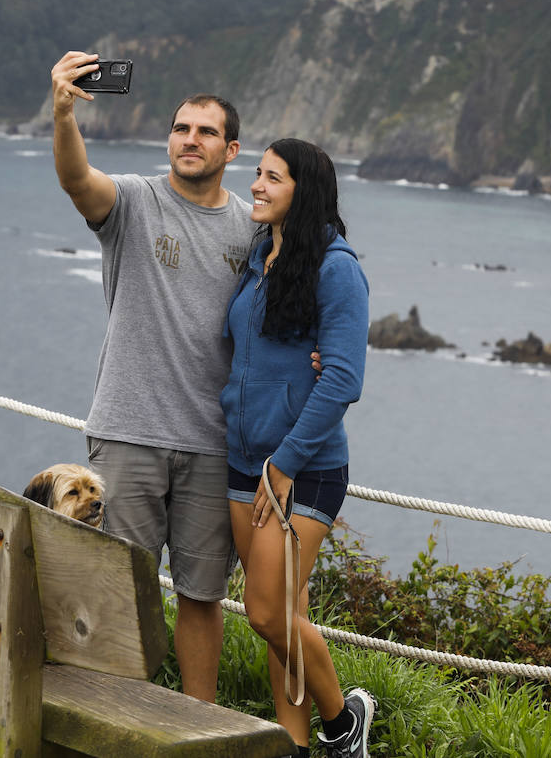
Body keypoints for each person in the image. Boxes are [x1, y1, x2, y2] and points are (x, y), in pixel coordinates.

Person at [48, 50, 256, 702]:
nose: (189, 140)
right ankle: (112, 725)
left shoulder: (252, 232)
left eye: (205, 132)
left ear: (232, 148)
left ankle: (196, 729)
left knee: (201, 597)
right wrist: (62, 113)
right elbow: (78, 181)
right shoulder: (136, 202)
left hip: (212, 442)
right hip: (129, 433)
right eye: (180, 128)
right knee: (119, 592)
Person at [221, 138, 374, 758]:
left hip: (300, 468)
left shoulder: (337, 268)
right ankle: (295, 743)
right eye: (257, 173)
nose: (256, 185)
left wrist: (283, 464)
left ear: (301, 191)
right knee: (286, 616)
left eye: (272, 178)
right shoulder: (260, 255)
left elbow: (343, 378)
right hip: (242, 460)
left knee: (264, 611)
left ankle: (344, 724)